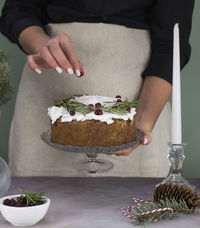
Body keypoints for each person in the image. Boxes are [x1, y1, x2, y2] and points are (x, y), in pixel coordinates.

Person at [0, 0, 195, 177]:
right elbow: (17, 10)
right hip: (45, 96)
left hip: (139, 99)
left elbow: (171, 43)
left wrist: (145, 120)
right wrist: (42, 45)